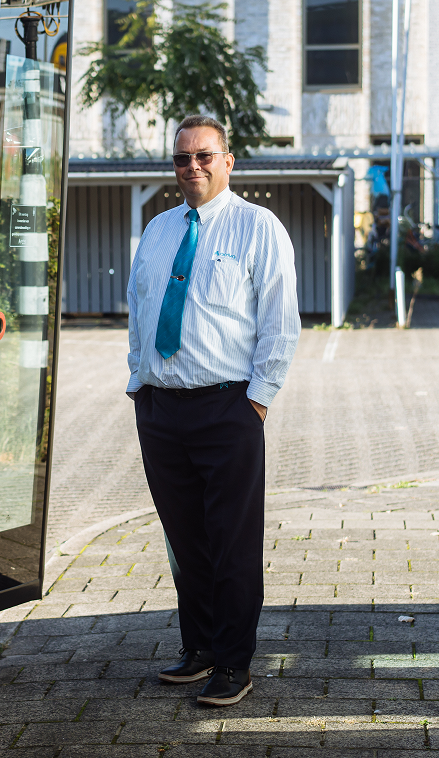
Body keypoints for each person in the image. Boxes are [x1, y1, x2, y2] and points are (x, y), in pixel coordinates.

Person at [126, 115, 300, 706]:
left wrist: (257, 400)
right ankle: (197, 648)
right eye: (181, 158)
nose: (192, 166)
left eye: (204, 155)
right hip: (161, 411)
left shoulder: (259, 227)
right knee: (185, 539)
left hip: (228, 408)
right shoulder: (156, 231)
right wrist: (137, 385)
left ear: (229, 161)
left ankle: (233, 662)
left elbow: (280, 322)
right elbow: (140, 312)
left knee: (231, 542)